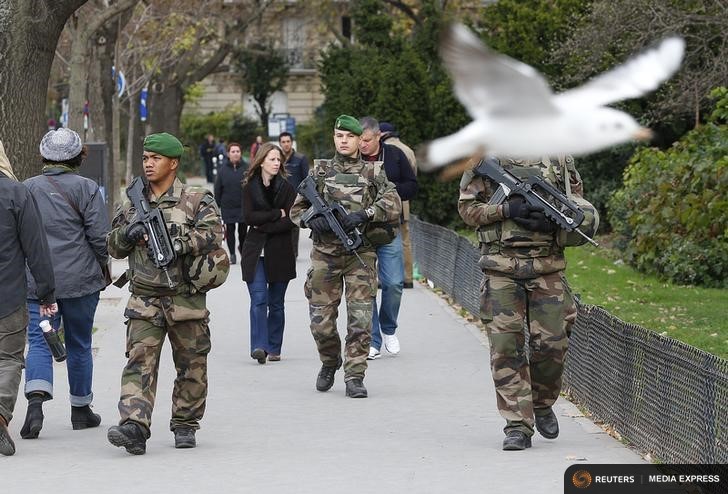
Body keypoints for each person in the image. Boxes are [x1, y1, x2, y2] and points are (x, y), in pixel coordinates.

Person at [458, 155, 598, 451]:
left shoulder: (558, 156)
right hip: (500, 268)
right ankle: (517, 425)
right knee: (505, 347)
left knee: (552, 344)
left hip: (546, 266)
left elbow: (579, 206)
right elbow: (467, 210)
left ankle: (541, 402)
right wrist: (505, 209)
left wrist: (549, 219)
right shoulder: (486, 156)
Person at [106, 132, 226, 455]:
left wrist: (180, 244)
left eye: (155, 159)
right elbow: (113, 246)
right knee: (139, 362)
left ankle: (185, 422)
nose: (148, 164)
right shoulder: (132, 201)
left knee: (192, 364)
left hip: (185, 298)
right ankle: (134, 425)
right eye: (145, 158)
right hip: (144, 298)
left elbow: (214, 234)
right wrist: (128, 233)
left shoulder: (197, 199)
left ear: (173, 163)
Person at [290, 115, 401, 398]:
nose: (343, 141)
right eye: (339, 136)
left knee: (361, 319)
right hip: (324, 256)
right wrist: (309, 219)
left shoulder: (374, 172)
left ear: (359, 140)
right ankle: (329, 361)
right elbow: (295, 210)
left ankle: (355, 375)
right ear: (334, 138)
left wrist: (365, 214)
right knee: (321, 322)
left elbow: (393, 202)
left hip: (359, 254)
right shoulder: (320, 171)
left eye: (349, 137)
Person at [21, 128, 110, 439]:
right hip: (81, 282)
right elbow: (100, 238)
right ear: (77, 157)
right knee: (79, 343)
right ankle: (81, 409)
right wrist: (105, 265)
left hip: (38, 282)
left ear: (44, 156)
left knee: (39, 340)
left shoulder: (26, 188)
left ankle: (35, 402)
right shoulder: (88, 189)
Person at [0, 140, 57, 456]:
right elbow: (36, 248)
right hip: (7, 293)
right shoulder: (16, 193)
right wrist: (46, 291)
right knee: (7, 358)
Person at [358, 117, 417, 360]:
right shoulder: (352, 158)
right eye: (359, 139)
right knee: (366, 286)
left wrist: (388, 193)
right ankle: (373, 339)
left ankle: (389, 327)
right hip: (360, 230)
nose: (362, 144)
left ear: (378, 136)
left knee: (393, 283)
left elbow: (412, 186)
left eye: (367, 140)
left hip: (390, 227)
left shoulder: (394, 155)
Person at [240, 142, 296, 364]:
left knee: (277, 303)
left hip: (280, 252)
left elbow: (291, 220)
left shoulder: (288, 188)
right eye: (272, 159)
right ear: (261, 161)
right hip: (255, 252)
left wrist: (265, 223)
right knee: (259, 299)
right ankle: (259, 346)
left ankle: (274, 347)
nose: (276, 163)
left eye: (279, 159)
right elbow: (248, 218)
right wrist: (275, 214)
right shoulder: (248, 187)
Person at [379, 122, 417, 289]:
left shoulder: (385, 150)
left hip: (387, 202)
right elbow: (413, 175)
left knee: (385, 240)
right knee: (405, 241)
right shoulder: (407, 149)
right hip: (404, 201)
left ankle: (385, 277)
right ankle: (408, 278)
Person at [214, 142, 248, 264]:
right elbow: (218, 188)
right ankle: (232, 254)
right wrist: (216, 205)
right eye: (233, 151)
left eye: (237, 151)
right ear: (228, 154)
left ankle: (243, 251)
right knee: (231, 231)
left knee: (243, 231)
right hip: (228, 206)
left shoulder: (247, 168)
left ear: (240, 153)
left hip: (243, 205)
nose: (235, 154)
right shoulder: (222, 170)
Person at [279, 131, 309, 257]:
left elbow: (306, 179)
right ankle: (283, 250)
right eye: (283, 142)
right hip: (280, 196)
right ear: (280, 143)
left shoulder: (300, 159)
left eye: (288, 141)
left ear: (292, 143)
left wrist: (305, 198)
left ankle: (294, 252)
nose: (286, 144)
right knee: (280, 224)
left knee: (294, 225)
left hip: (295, 197)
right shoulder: (277, 158)